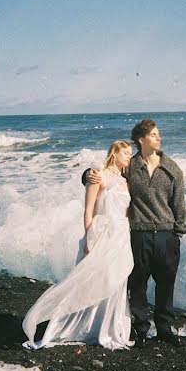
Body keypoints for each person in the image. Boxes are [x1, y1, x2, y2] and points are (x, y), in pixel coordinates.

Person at [22, 140, 135, 350]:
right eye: (126, 153)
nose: (129, 156)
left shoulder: (125, 181)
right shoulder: (96, 176)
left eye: (131, 153)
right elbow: (88, 210)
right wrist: (89, 238)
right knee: (91, 280)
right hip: (102, 234)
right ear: (114, 154)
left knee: (115, 280)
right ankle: (74, 325)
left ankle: (108, 326)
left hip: (121, 236)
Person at [86, 119, 186, 348]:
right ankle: (140, 329)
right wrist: (87, 175)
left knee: (165, 285)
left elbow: (179, 205)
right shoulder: (130, 166)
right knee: (138, 284)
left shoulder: (172, 169)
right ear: (141, 140)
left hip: (166, 235)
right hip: (139, 235)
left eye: (158, 134)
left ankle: (164, 329)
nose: (158, 137)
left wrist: (177, 234)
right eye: (153, 134)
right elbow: (108, 175)